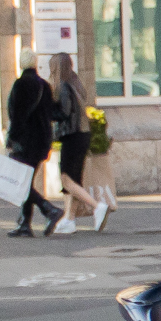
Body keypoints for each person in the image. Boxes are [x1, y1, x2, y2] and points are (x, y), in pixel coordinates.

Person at [45, 53, 108, 234]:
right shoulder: (75, 83)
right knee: (74, 179)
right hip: (81, 135)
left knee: (67, 178)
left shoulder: (63, 86)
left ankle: (97, 206)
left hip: (72, 135)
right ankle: (69, 219)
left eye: (52, 66)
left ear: (57, 67)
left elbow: (63, 112)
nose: (50, 70)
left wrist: (48, 110)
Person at [4, 55, 62, 236]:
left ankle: (49, 209)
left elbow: (18, 116)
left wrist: (11, 138)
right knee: (26, 181)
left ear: (21, 62)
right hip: (42, 141)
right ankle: (25, 224)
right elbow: (53, 112)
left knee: (22, 182)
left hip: (26, 142)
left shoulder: (21, 84)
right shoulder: (44, 85)